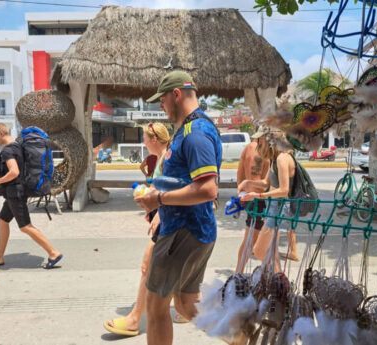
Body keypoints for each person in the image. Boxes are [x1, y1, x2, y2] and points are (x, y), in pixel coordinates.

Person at [136, 71, 222, 345]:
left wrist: (159, 200)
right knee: (185, 305)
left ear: (176, 94)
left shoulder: (196, 133)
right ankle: (240, 337)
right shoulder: (187, 129)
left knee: (155, 306)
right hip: (189, 230)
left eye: (162, 99)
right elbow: (184, 181)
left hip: (182, 233)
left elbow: (208, 189)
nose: (161, 106)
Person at [104, 122, 172, 336]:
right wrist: (148, 200)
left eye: (144, 137)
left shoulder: (168, 158)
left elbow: (173, 188)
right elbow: (159, 187)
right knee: (157, 270)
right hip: (165, 219)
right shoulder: (162, 158)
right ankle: (186, 309)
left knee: (147, 267)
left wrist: (159, 212)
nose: (142, 141)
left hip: (168, 220)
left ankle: (135, 319)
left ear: (153, 139)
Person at [0, 123, 63, 269]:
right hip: (18, 191)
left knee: (25, 226)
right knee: (3, 220)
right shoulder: (18, 146)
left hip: (15, 193)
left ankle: (53, 252)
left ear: (0, 134)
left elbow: (14, 172)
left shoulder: (8, 150)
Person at [240, 132, 299, 271]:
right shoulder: (275, 158)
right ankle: (279, 285)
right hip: (272, 208)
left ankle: (279, 284)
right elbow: (266, 183)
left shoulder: (282, 159)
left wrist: (259, 195)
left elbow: (284, 190)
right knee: (271, 253)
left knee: (260, 251)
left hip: (279, 208)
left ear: (270, 141)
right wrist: (247, 183)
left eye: (261, 142)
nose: (259, 146)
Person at [235, 127, 270, 273]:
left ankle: (239, 272)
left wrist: (242, 191)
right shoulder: (268, 154)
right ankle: (240, 274)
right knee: (255, 241)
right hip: (261, 199)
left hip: (250, 197)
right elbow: (266, 183)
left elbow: (240, 173)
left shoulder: (248, 148)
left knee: (251, 239)